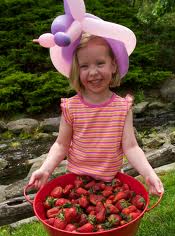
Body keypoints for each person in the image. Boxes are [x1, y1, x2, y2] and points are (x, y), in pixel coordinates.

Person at [29, 33, 164, 196]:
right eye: (84, 66)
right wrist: (45, 169)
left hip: (112, 184)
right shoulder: (70, 107)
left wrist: (149, 173)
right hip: (77, 183)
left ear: (113, 65)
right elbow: (61, 145)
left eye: (100, 63)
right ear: (76, 70)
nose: (93, 72)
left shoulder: (123, 107)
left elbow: (131, 147)